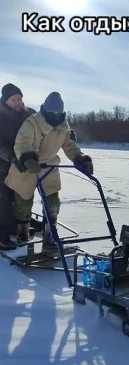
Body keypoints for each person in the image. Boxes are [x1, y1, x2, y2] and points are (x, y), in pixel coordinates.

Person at [5, 92, 93, 251]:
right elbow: (22, 143)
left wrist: (80, 158)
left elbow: (70, 146)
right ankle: (22, 234)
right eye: (51, 113)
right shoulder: (31, 123)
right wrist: (27, 158)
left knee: (52, 201)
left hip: (49, 166)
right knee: (23, 202)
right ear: (44, 110)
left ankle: (49, 235)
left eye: (58, 113)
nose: (54, 116)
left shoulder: (64, 127)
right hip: (26, 165)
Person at [0, 83, 36, 250]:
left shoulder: (29, 114)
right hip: (3, 164)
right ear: (5, 100)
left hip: (22, 164)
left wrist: (66, 132)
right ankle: (2, 235)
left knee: (21, 196)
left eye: (19, 98)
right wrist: (12, 157)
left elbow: (46, 124)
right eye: (13, 99)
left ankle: (16, 228)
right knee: (4, 198)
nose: (17, 102)